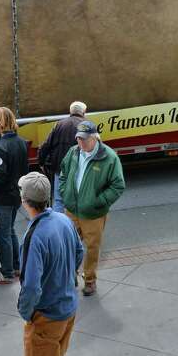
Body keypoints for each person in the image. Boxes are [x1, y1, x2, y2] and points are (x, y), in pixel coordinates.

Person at [11, 173, 84, 356]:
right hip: (68, 309)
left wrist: (26, 312)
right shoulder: (63, 220)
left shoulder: (36, 234)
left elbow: (31, 285)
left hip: (46, 317)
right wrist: (66, 279)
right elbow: (79, 252)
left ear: (24, 201)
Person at [58, 120, 126, 296]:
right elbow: (63, 173)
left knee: (92, 248)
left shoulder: (109, 157)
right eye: (78, 139)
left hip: (93, 214)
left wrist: (99, 201)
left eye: (84, 139)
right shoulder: (73, 152)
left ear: (95, 138)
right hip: (72, 210)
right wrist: (65, 192)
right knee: (70, 244)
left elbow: (118, 185)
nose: (81, 143)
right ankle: (70, 275)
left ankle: (89, 280)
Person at [0, 107, 28, 285]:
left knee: (3, 235)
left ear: (0, 123)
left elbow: (0, 176)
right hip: (16, 195)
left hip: (3, 197)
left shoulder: (1, 146)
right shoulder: (21, 142)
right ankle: (17, 267)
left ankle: (6, 272)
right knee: (10, 231)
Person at [37, 102, 86, 212]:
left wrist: (41, 161)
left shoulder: (59, 124)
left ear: (70, 112)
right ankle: (75, 225)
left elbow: (46, 145)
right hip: (79, 169)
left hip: (60, 168)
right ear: (83, 112)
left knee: (59, 200)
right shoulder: (86, 126)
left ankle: (58, 227)